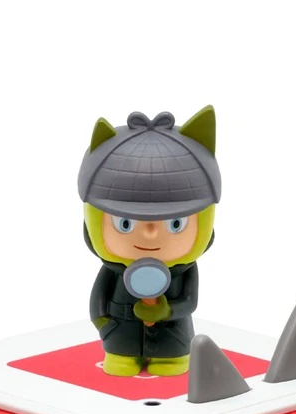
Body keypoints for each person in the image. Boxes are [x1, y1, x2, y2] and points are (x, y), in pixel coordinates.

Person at [78, 106, 221, 376]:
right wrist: (104, 324)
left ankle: (170, 360)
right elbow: (99, 296)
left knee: (171, 367)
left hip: (172, 336)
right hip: (121, 334)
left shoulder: (185, 270)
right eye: (125, 222)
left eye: (176, 223)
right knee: (120, 366)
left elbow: (190, 301)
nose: (151, 233)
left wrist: (167, 311)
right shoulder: (113, 270)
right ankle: (122, 356)